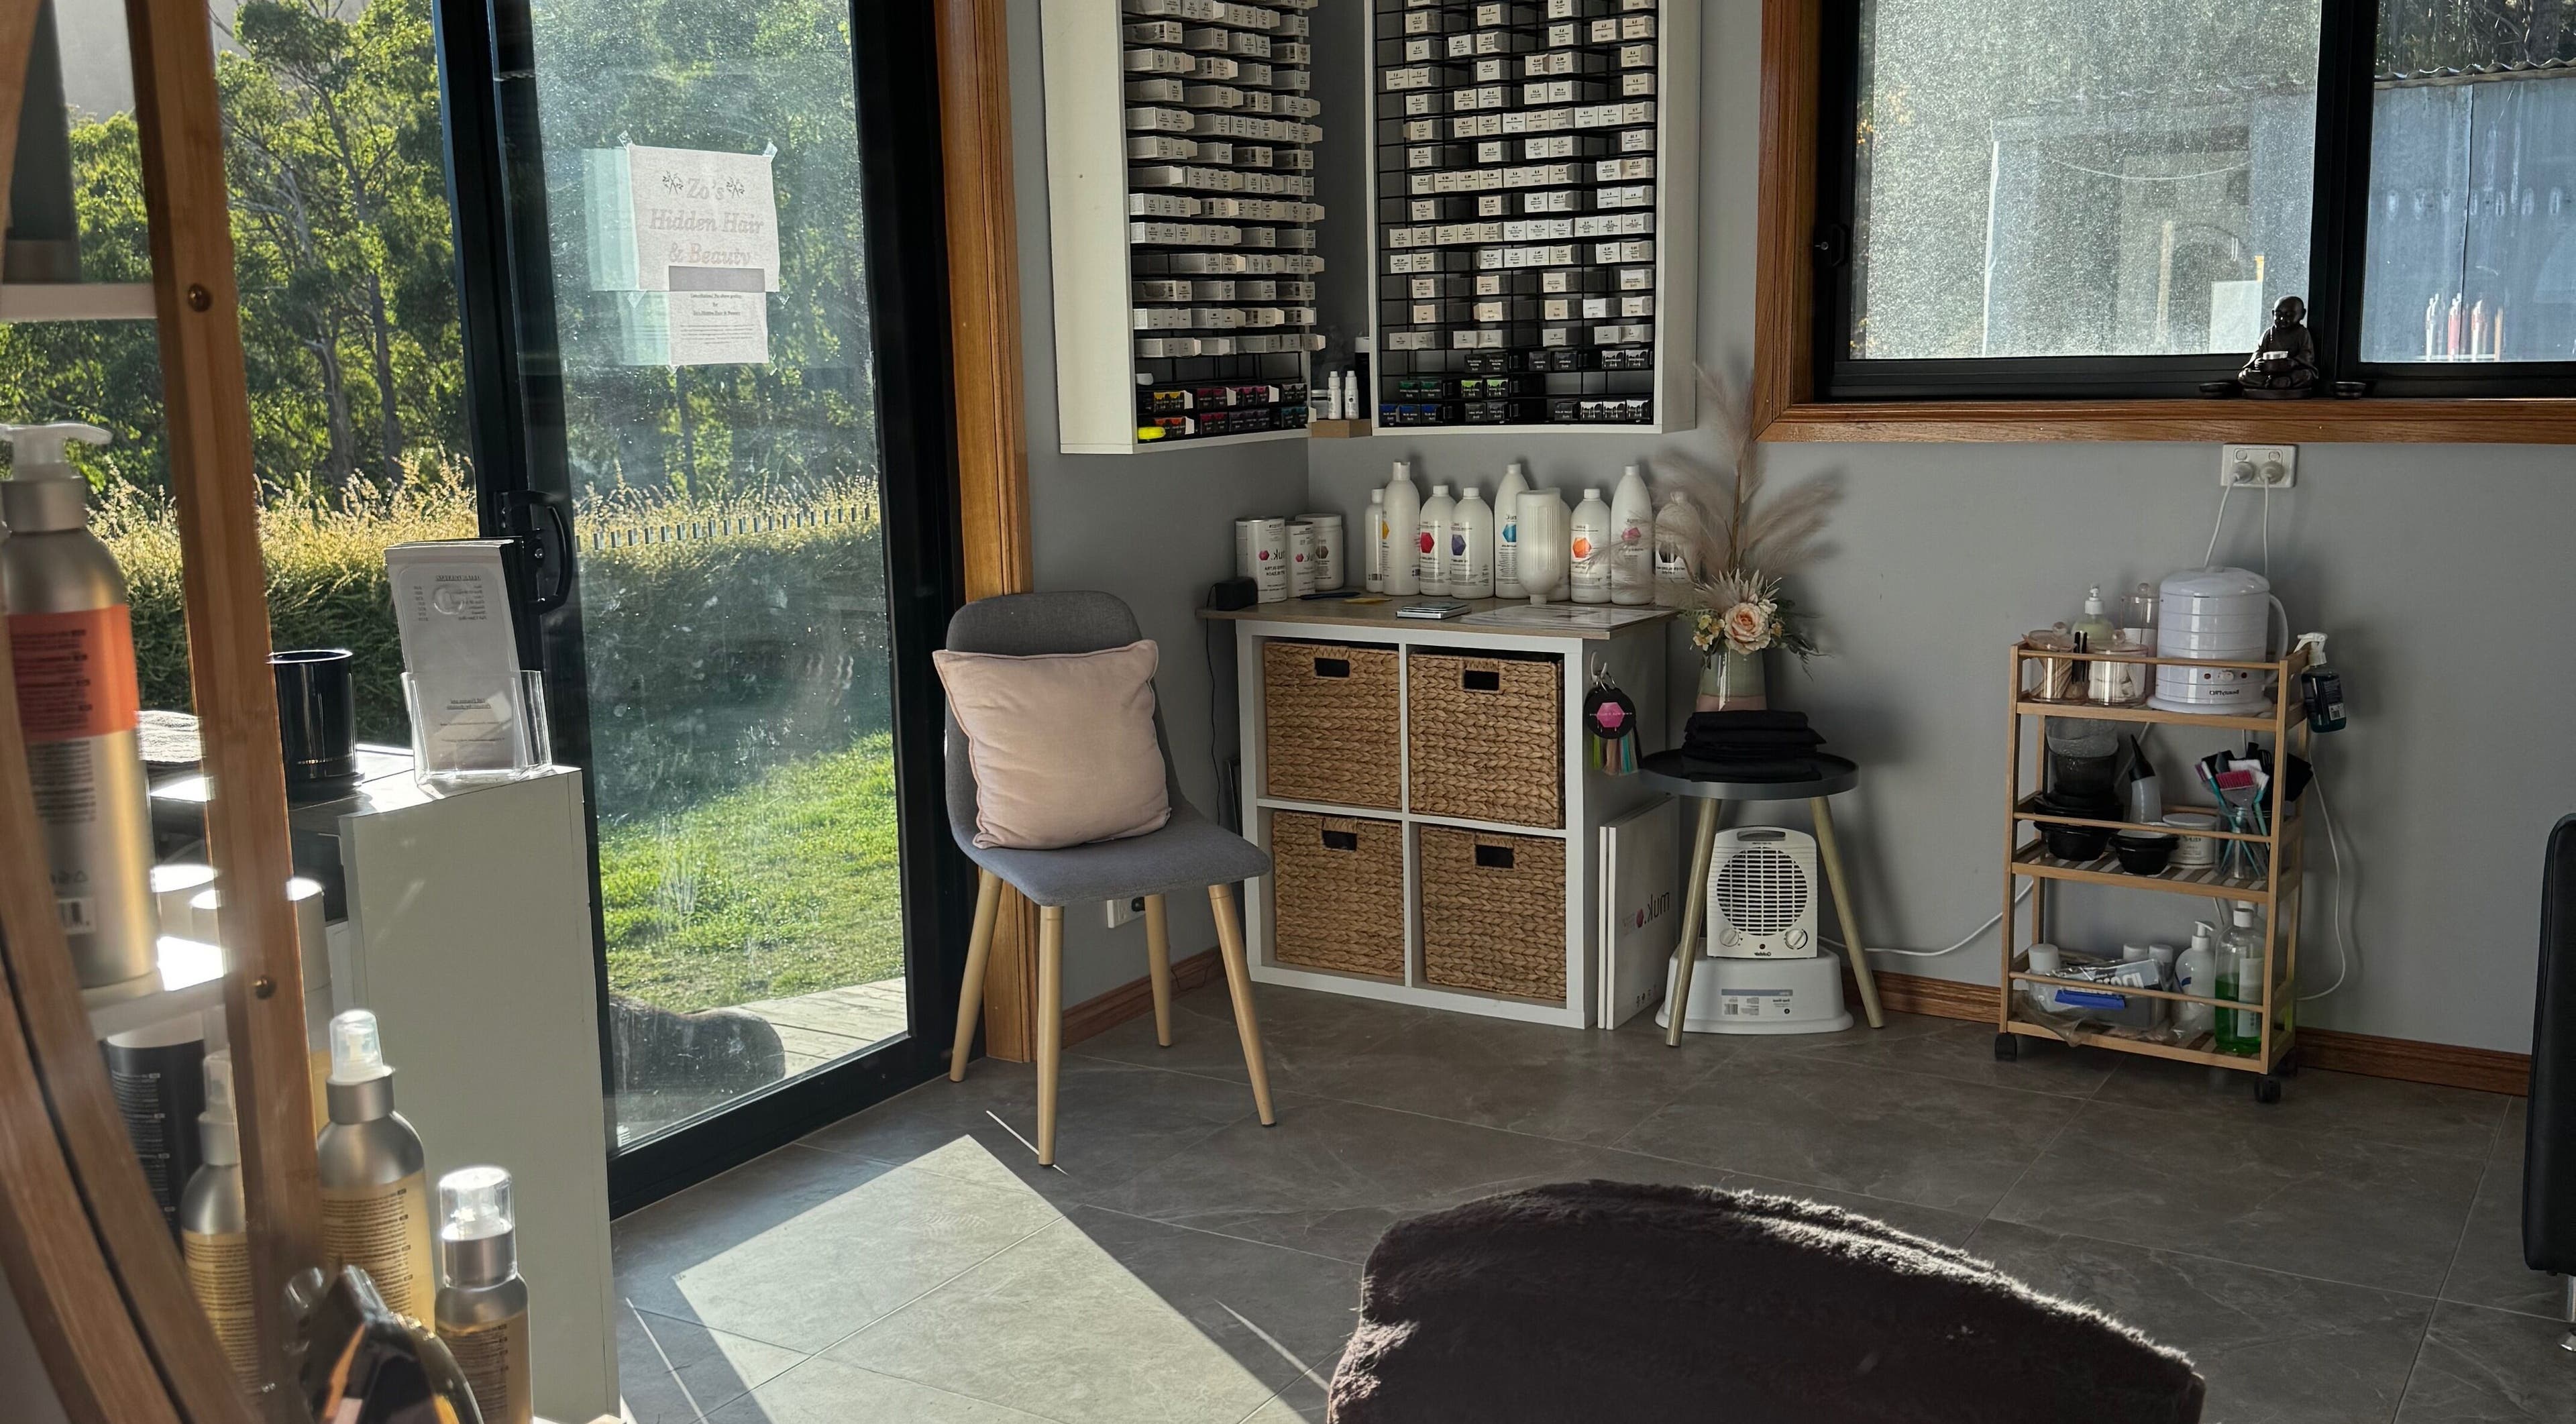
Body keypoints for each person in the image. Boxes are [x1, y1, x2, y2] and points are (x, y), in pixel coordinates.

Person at [2237, 296, 2320, 396]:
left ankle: (2274, 383)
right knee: (2244, 375)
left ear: (2302, 314)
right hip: (2267, 371)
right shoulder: (2269, 333)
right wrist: (2257, 361)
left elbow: (2307, 354)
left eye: (2289, 315)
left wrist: (2294, 362)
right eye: (2278, 314)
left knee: (2306, 375)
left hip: (2290, 371)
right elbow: (2259, 351)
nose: (2282, 319)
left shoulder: (2302, 333)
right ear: (2273, 314)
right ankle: (2274, 382)